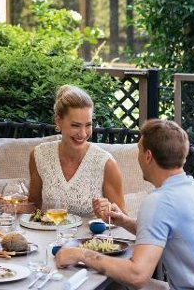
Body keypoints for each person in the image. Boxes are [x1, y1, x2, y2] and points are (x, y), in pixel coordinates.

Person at [55, 119, 194, 290]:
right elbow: (165, 232)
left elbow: (137, 274)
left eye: (139, 150)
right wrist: (123, 221)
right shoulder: (190, 186)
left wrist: (81, 254)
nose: (138, 157)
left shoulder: (159, 201)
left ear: (148, 156)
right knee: (113, 287)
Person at [28, 84, 126, 217]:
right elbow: (34, 207)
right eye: (75, 125)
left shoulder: (106, 163)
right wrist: (13, 206)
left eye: (88, 125)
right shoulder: (40, 155)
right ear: (58, 121)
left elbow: (123, 219)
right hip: (49, 231)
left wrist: (108, 211)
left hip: (90, 232)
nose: (83, 133)